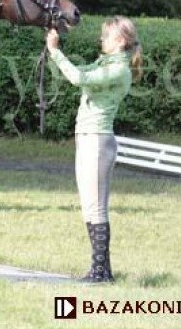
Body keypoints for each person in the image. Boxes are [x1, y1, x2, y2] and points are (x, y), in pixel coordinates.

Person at [46, 16, 142, 283]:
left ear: (121, 41)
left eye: (107, 36)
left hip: (98, 141)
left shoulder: (117, 70)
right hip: (89, 139)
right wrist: (57, 46)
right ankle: (102, 270)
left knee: (97, 207)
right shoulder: (107, 63)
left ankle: (100, 272)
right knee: (90, 207)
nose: (102, 39)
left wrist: (55, 51)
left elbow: (78, 77)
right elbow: (77, 72)